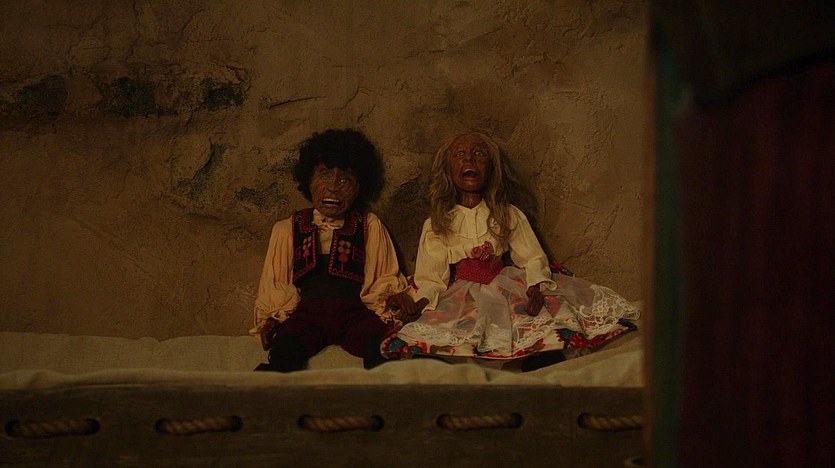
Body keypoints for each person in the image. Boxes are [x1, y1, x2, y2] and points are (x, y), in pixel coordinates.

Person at [381, 131, 640, 371]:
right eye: (460, 154)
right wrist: (421, 303)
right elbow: (432, 278)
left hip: (505, 284)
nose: (469, 159)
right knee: (452, 330)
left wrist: (535, 285)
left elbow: (532, 256)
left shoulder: (507, 214)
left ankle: (536, 357)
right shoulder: (438, 223)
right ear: (448, 168)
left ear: (492, 168)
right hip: (462, 293)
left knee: (533, 322)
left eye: (479, 154)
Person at [252, 128, 417, 372]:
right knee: (285, 351)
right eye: (324, 175)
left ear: (359, 186)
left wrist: (392, 297)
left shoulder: (368, 225)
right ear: (308, 181)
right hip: (307, 316)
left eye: (345, 180)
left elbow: (382, 276)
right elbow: (277, 283)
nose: (333, 188)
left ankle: (387, 390)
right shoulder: (288, 228)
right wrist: (272, 319)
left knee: (380, 347)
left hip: (354, 314)